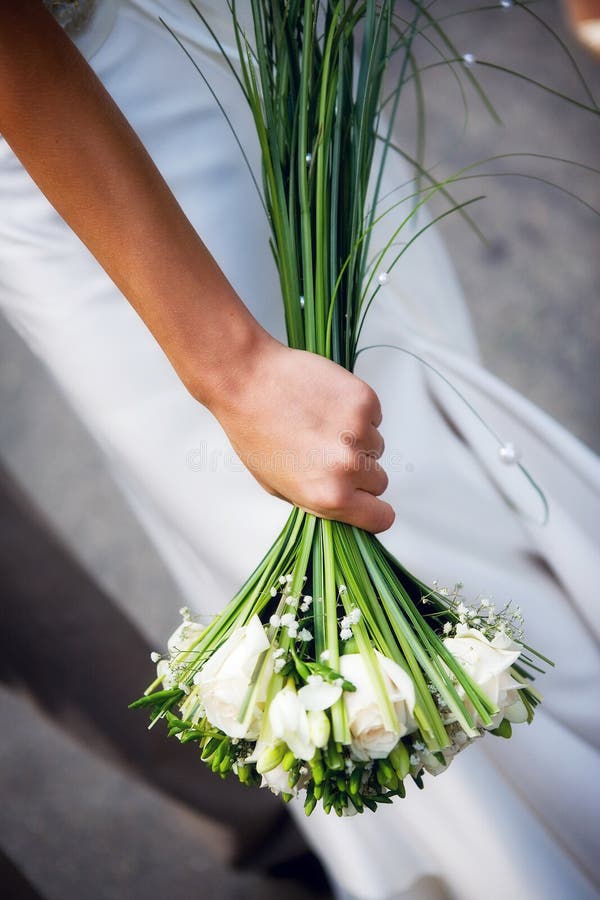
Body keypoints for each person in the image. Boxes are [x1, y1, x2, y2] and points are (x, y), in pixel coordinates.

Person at [1, 3, 599, 900]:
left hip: (255, 35)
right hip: (66, 131)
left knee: (426, 443)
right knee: (329, 522)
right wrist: (231, 369)